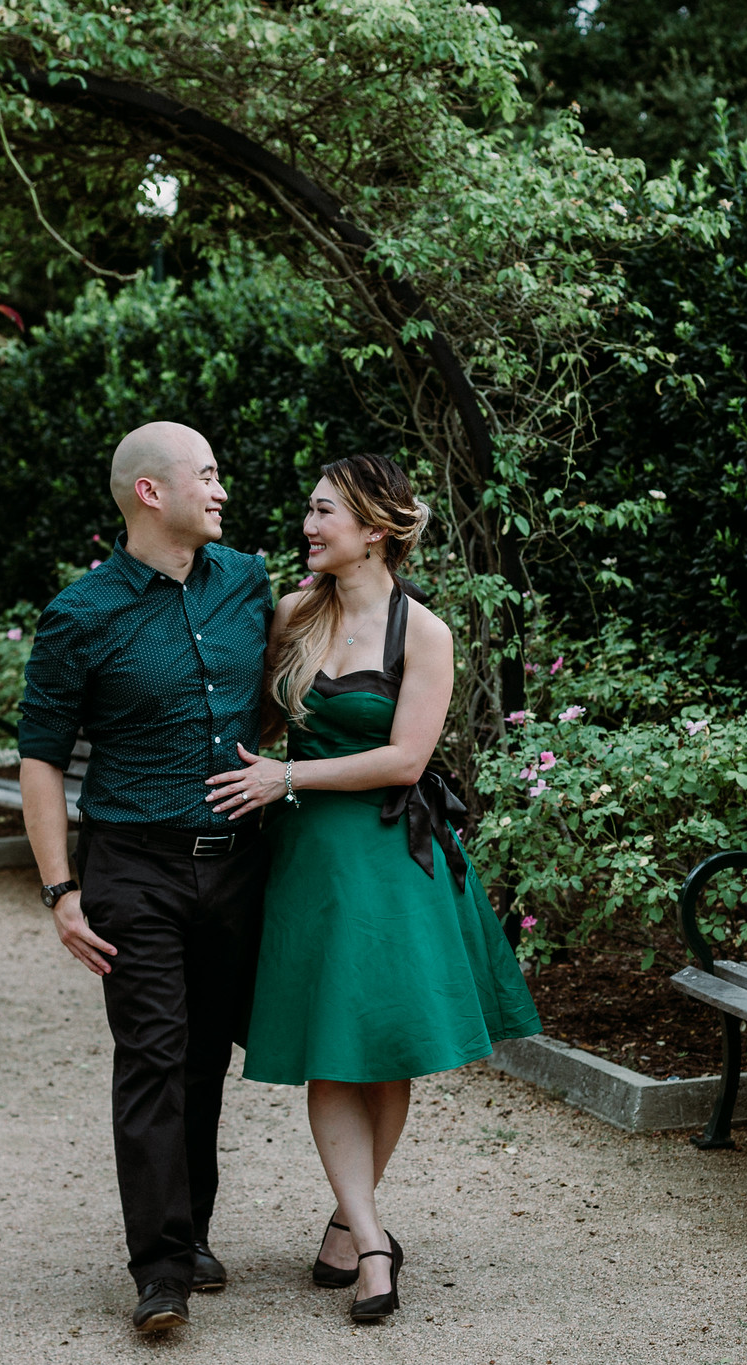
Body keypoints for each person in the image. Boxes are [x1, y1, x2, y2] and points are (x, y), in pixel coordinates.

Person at [203, 453, 541, 1325]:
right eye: (310, 511)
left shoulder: (422, 632)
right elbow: (265, 726)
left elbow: (406, 758)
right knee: (331, 1045)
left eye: (326, 513)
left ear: (377, 529)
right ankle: (370, 1233)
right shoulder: (291, 616)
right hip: (309, 860)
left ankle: (352, 1227)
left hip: (394, 858)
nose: (309, 526)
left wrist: (289, 778)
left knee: (385, 1048)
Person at [15, 421, 273, 1335]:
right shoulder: (80, 614)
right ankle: (159, 1270)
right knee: (155, 1057)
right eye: (208, 475)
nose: (223, 491)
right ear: (151, 493)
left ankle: (191, 1232)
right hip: (135, 867)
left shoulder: (248, 581)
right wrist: (60, 889)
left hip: (239, 865)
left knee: (207, 1056)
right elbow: (41, 758)